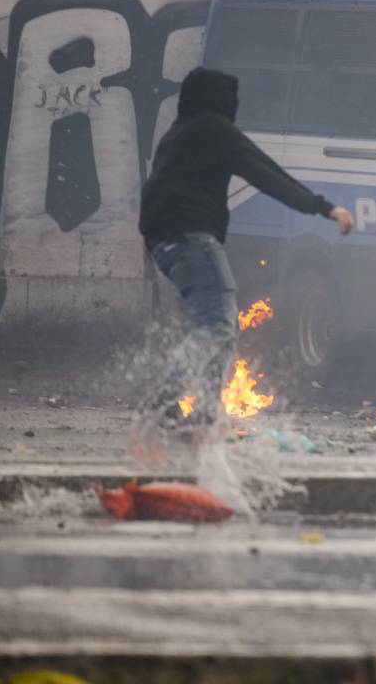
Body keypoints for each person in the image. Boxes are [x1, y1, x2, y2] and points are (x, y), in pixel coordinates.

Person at [133, 67, 354, 461]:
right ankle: (162, 400)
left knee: (217, 324)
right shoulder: (213, 129)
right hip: (191, 237)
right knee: (218, 324)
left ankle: (203, 413)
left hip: (164, 243)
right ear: (220, 100)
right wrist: (324, 208)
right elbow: (265, 173)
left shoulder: (179, 133)